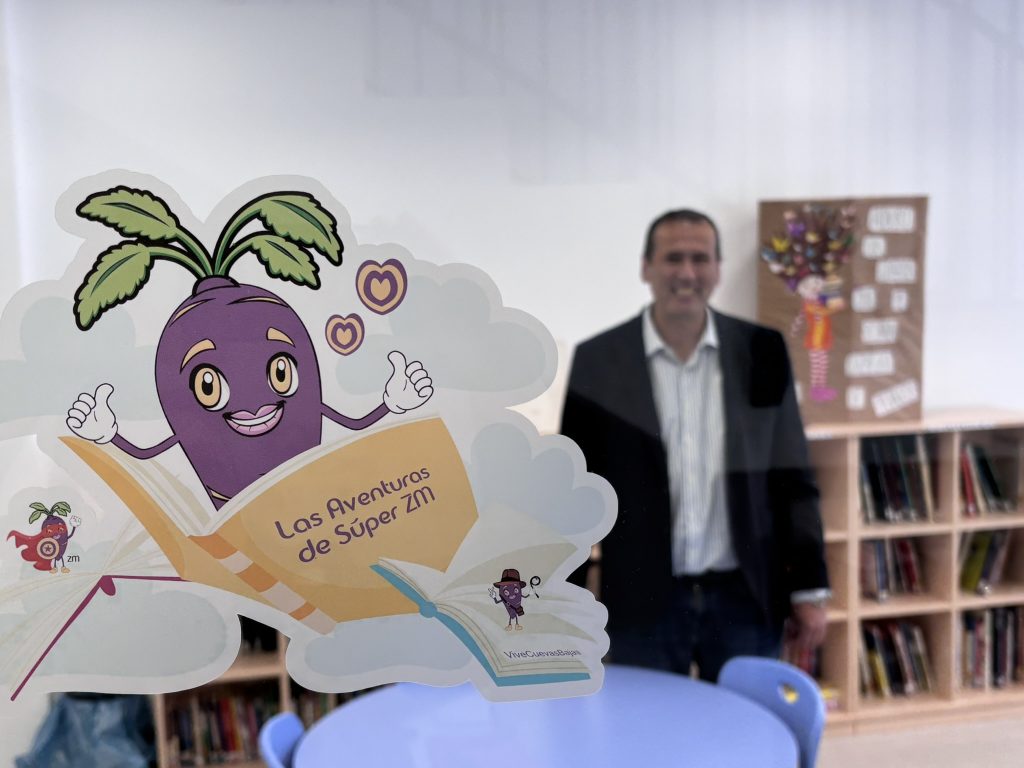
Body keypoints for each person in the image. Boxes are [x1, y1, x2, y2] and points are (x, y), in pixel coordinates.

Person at [560, 208, 829, 682]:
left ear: (718, 269)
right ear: (646, 268)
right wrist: (566, 604)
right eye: (673, 258)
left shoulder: (762, 352)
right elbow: (573, 496)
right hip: (643, 603)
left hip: (745, 599)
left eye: (700, 259)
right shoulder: (599, 361)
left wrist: (809, 589)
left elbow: (792, 478)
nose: (687, 273)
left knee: (741, 727)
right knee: (648, 727)